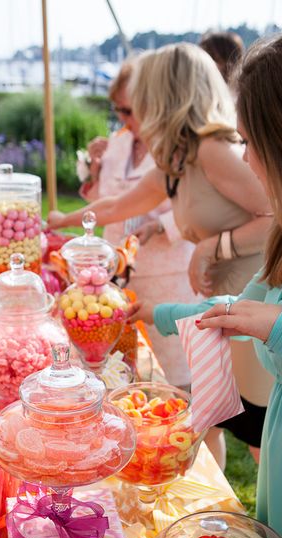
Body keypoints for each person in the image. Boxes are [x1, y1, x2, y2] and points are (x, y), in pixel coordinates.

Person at [48, 42, 273, 468]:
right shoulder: (177, 158)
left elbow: (281, 214)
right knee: (211, 427)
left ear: (165, 96)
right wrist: (59, 221)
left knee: (265, 444)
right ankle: (211, 517)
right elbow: (117, 205)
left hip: (256, 309)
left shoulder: (213, 148)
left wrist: (214, 246)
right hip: (222, 315)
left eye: (144, 95)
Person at [147, 28, 282, 538]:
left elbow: (270, 319)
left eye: (250, 142)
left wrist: (277, 324)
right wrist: (158, 315)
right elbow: (237, 309)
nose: (249, 161)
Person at [76, 57, 199, 387]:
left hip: (167, 279)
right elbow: (103, 201)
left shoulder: (181, 145)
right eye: (118, 110)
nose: (123, 119)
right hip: (115, 275)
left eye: (129, 110)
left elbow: (198, 206)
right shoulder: (118, 141)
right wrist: (95, 167)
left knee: (174, 380)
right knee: (122, 374)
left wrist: (162, 225)